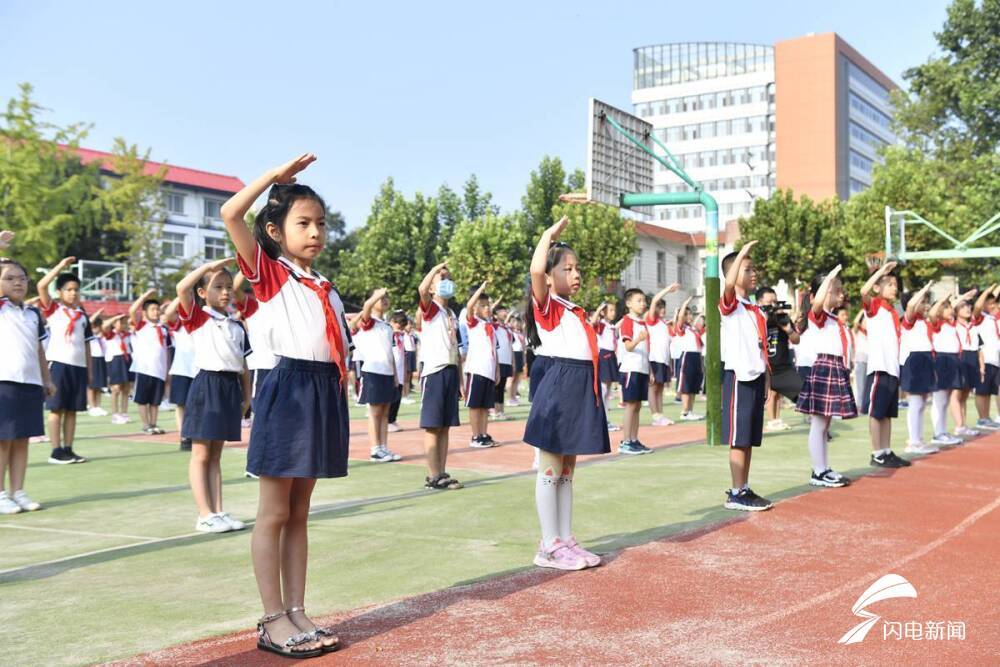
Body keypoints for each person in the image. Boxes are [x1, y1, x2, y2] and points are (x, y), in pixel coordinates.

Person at [223, 154, 348, 657]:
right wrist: (273, 179)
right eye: (303, 223)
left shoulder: (322, 285)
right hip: (288, 389)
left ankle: (297, 610)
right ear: (275, 231)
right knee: (274, 511)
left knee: (299, 512)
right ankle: (273, 619)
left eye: (321, 223)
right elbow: (232, 213)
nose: (315, 232)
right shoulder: (269, 273)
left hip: (322, 390)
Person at [524, 214, 608, 570]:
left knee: (567, 470)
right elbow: (535, 270)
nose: (575, 275)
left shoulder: (574, 310)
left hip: (579, 386)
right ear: (549, 276)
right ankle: (548, 545)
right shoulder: (548, 306)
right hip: (559, 387)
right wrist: (549, 234)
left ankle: (564, 538)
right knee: (550, 468)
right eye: (567, 269)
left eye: (577, 269)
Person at [176, 258, 251, 534]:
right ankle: (204, 514)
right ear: (202, 292)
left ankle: (218, 511)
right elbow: (181, 288)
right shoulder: (199, 317)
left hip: (230, 387)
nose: (226, 292)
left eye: (229, 286)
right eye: (218, 287)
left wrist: (247, 397)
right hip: (207, 385)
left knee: (217, 454)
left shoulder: (236, 325)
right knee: (201, 453)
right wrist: (209, 267)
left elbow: (244, 365)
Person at [719, 242, 773, 511]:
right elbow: (729, 285)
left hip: (756, 376)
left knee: (749, 438)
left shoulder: (755, 309)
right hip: (739, 376)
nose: (754, 274)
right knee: (738, 438)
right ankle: (736, 491)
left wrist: (767, 378)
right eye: (747, 269)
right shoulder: (730, 304)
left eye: (754, 269)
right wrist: (741, 252)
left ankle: (744, 486)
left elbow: (761, 346)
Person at [0, 251, 54, 514]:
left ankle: (18, 491)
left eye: (22, 278)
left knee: (22, 439)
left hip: (30, 383)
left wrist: (46, 379)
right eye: (9, 278)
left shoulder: (32, 313)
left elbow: (39, 349)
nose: (18, 283)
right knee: (3, 440)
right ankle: (0, 494)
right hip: (4, 381)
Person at [796, 265, 857, 487]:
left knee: (825, 424)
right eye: (835, 290)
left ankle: (823, 468)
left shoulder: (833, 318)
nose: (840, 294)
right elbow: (818, 302)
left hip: (835, 367)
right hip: (823, 367)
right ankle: (818, 470)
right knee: (819, 423)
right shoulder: (818, 316)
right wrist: (829, 278)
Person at [37, 257, 94, 464]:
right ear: (60, 292)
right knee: (56, 408)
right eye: (68, 289)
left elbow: (87, 345)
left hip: (78, 367)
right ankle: (56, 450)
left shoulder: (82, 316)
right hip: (59, 365)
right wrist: (61, 267)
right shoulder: (54, 309)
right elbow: (42, 286)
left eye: (76, 289)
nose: (73, 293)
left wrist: (89, 371)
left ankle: (68, 449)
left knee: (72, 410)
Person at [417, 261, 465, 489]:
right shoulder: (430, 308)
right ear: (432, 286)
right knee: (433, 425)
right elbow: (421, 289)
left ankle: (442, 472)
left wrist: (461, 379)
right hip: (435, 371)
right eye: (442, 279)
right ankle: (433, 475)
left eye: (449, 278)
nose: (447, 282)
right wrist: (435, 269)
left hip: (450, 370)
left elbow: (456, 347)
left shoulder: (451, 313)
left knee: (445, 426)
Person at [858, 262, 911, 468]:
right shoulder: (875, 306)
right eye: (889, 284)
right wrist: (881, 271)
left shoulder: (892, 311)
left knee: (888, 413)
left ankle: (887, 451)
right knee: (876, 412)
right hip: (879, 367)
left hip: (892, 368)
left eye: (895, 285)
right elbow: (863, 291)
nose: (894, 288)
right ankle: (877, 453)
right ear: (877, 287)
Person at [350, 287, 403, 463]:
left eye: (386, 297)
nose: (385, 300)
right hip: (373, 371)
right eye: (381, 298)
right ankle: (375, 449)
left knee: (385, 412)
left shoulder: (387, 325)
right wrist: (376, 295)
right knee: (375, 412)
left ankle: (383, 447)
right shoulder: (368, 321)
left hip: (387, 373)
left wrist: (395, 375)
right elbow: (366, 307)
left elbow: (390, 353)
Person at [929, 291, 974, 447]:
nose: (951, 310)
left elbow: (952, 307)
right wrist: (942, 300)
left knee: (945, 400)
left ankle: (942, 431)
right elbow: (933, 313)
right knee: (939, 399)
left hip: (953, 360)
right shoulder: (937, 323)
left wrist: (962, 297)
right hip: (942, 359)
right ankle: (938, 433)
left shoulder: (951, 323)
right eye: (947, 308)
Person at [900, 282, 938, 455]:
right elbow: (910, 305)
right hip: (914, 360)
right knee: (915, 402)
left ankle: (918, 439)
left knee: (922, 402)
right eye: (922, 302)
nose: (925, 305)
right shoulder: (909, 319)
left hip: (926, 358)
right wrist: (924, 289)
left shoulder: (924, 321)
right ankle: (913, 442)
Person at [233, 271, 278, 419]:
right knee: (260, 409)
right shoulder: (253, 307)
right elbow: (234, 288)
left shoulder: (282, 306)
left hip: (281, 366)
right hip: (261, 364)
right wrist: (247, 263)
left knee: (276, 410)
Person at [757, 286, 801, 432]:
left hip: (783, 365)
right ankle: (772, 421)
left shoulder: (782, 317)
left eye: (775, 302)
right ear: (759, 302)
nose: (773, 305)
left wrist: (788, 330)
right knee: (771, 392)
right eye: (769, 302)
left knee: (787, 393)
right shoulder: (756, 318)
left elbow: (796, 340)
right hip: (765, 364)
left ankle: (776, 419)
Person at [464, 280, 500, 448]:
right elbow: (469, 306)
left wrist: (497, 370)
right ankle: (475, 436)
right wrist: (480, 289)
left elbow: (494, 350)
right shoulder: (473, 322)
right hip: (476, 369)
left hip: (489, 371)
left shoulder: (489, 325)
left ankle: (484, 434)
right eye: (483, 306)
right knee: (475, 405)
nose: (487, 308)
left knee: (486, 406)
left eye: (488, 305)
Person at [128, 289, 170, 435]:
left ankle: (153, 424)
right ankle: (146, 425)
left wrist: (167, 369)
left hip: (159, 370)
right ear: (145, 313)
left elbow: (166, 351)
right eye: (152, 309)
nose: (156, 312)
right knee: (142, 399)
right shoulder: (141, 325)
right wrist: (145, 296)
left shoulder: (164, 330)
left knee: (155, 400)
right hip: (144, 369)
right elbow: (132, 310)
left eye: (157, 309)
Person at [617, 288, 651, 455]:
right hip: (631, 368)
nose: (643, 304)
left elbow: (646, 349)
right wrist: (638, 339)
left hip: (642, 369)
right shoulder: (627, 321)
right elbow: (628, 346)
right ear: (629, 303)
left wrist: (650, 370)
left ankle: (634, 439)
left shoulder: (642, 323)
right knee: (631, 405)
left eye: (644, 300)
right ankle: (625, 442)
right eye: (639, 300)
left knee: (637, 406)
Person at [163, 298, 197, 451]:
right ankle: (184, 436)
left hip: (200, 369)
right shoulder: (179, 322)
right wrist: (182, 295)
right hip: (182, 369)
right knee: (181, 404)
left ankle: (195, 434)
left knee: (197, 405)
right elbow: (168, 313)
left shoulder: (202, 320)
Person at [646, 283, 681, 427]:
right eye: (660, 307)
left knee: (660, 388)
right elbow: (654, 300)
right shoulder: (651, 321)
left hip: (664, 361)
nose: (662, 310)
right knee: (653, 387)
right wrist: (668, 290)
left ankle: (660, 415)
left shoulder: (664, 324)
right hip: (654, 359)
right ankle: (655, 415)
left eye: (663, 307)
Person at [973, 284, 1000, 430]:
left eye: (994, 303)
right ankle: (982, 418)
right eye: (989, 303)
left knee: (989, 391)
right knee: (982, 391)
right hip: (985, 358)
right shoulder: (980, 317)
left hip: (995, 359)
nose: (993, 305)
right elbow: (978, 306)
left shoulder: (991, 318)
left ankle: (987, 417)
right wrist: (987, 292)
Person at [673, 296, 705, 421]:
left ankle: (690, 411)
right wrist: (685, 303)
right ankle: (685, 411)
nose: (689, 316)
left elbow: (699, 322)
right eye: (686, 314)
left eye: (690, 314)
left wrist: (701, 313)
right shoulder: (681, 328)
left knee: (693, 386)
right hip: (687, 357)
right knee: (686, 386)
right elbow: (680, 317)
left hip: (696, 356)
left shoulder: (693, 329)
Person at [591, 303, 620, 432]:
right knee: (603, 389)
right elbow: (592, 323)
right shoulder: (601, 324)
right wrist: (598, 309)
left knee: (608, 390)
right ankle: (600, 419)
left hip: (611, 355)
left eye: (614, 310)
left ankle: (605, 419)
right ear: (603, 313)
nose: (614, 312)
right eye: (611, 310)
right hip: (604, 355)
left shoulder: (610, 326)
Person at [104, 314, 132, 424]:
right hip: (115, 360)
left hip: (127, 359)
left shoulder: (128, 334)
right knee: (116, 388)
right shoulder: (111, 334)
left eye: (125, 322)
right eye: (121, 322)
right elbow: (104, 326)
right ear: (114, 323)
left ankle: (124, 413)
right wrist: (115, 318)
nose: (124, 325)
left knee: (126, 388)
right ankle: (115, 414)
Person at [387, 311, 409, 433]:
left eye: (402, 326)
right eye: (398, 325)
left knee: (398, 396)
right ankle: (388, 420)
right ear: (392, 322)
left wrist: (405, 371)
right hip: (391, 371)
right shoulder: (389, 335)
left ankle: (393, 419)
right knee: (391, 397)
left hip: (400, 371)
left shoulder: (401, 336)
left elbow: (403, 355)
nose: (400, 328)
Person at [86, 308, 110, 417]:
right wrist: (97, 313)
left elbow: (106, 325)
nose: (97, 329)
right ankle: (92, 406)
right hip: (92, 359)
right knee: (92, 385)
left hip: (101, 359)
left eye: (98, 327)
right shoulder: (88, 335)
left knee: (99, 385)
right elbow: (89, 322)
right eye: (95, 327)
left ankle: (98, 406)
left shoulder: (100, 336)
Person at [492, 304, 514, 420]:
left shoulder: (507, 328)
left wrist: (513, 361)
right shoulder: (494, 326)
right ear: (495, 315)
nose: (504, 312)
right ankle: (496, 411)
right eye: (501, 311)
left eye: (505, 310)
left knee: (502, 387)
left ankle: (501, 411)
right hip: (498, 360)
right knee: (497, 386)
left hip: (506, 360)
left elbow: (510, 345)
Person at [507, 314, 526, 407]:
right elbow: (506, 323)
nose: (517, 324)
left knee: (517, 378)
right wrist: (510, 314)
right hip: (513, 354)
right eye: (514, 322)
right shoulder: (510, 331)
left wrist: (524, 357)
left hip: (520, 354)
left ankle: (514, 397)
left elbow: (523, 346)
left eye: (518, 322)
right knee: (511, 378)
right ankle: (509, 398)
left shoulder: (521, 332)